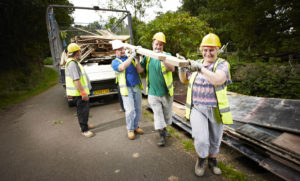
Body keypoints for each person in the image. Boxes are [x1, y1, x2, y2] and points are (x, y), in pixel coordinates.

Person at [178, 33, 233, 176]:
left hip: (215, 109)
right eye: (205, 50)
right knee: (201, 138)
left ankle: (213, 160)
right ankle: (201, 159)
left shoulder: (222, 64)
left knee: (215, 137)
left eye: (211, 50)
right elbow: (184, 80)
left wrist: (200, 68)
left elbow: (217, 80)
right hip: (197, 108)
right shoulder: (196, 63)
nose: (208, 53)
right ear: (201, 50)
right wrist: (182, 68)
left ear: (217, 50)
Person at [135, 32, 175, 146]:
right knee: (158, 114)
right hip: (153, 92)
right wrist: (137, 59)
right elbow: (139, 70)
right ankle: (161, 135)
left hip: (166, 92)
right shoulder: (148, 56)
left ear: (163, 46)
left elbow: (172, 68)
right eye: (156, 44)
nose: (158, 47)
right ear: (153, 44)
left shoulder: (167, 55)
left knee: (166, 115)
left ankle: (164, 128)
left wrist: (163, 59)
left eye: (161, 45)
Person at [111, 40, 144, 140]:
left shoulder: (130, 58)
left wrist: (138, 58)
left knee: (138, 109)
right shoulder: (115, 62)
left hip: (136, 86)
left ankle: (135, 126)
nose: (122, 51)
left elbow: (140, 70)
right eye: (119, 49)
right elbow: (122, 67)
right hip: (126, 89)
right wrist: (132, 56)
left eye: (122, 49)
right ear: (115, 51)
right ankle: (130, 129)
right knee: (130, 110)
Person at [65, 43, 94, 138]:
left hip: (80, 93)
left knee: (83, 111)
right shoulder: (72, 64)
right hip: (79, 94)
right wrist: (83, 93)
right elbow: (76, 80)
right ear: (77, 52)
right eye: (79, 51)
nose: (80, 52)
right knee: (83, 111)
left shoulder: (74, 62)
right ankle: (84, 130)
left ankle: (85, 124)